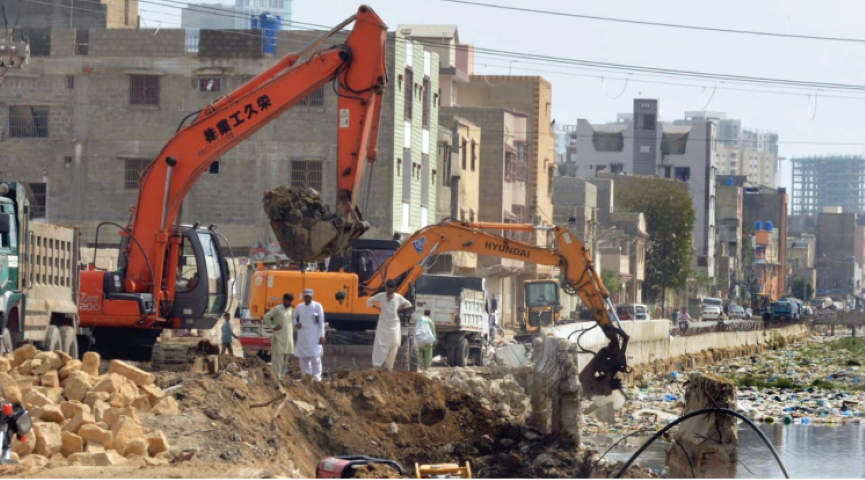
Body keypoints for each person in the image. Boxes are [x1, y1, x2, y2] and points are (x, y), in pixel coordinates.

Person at [367, 279, 413, 372]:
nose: (390, 291)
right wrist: (377, 308)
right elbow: (369, 301)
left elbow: (408, 304)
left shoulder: (398, 297)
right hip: (383, 324)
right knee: (379, 344)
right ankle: (377, 366)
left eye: (391, 289)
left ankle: (389, 367)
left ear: (394, 288)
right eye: (388, 288)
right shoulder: (381, 296)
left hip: (394, 325)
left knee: (394, 344)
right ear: (386, 287)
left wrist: (398, 309)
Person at [293, 289, 326, 381]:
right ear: (303, 297)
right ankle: (306, 377)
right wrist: (296, 323)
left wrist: (322, 335)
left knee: (315, 357)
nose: (307, 298)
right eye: (306, 296)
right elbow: (292, 317)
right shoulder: (299, 307)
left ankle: (317, 379)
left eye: (309, 296)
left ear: (312, 296)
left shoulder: (317, 306)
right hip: (302, 335)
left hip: (314, 335)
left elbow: (321, 322)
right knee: (303, 358)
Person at [263, 293, 294, 381]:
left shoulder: (291, 310)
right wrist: (272, 327)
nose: (290, 303)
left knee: (286, 356)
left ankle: (282, 376)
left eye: (291, 301)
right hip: (279, 338)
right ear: (284, 300)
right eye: (289, 301)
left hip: (288, 339)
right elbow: (266, 317)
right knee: (278, 358)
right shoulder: (278, 309)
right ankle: (277, 376)